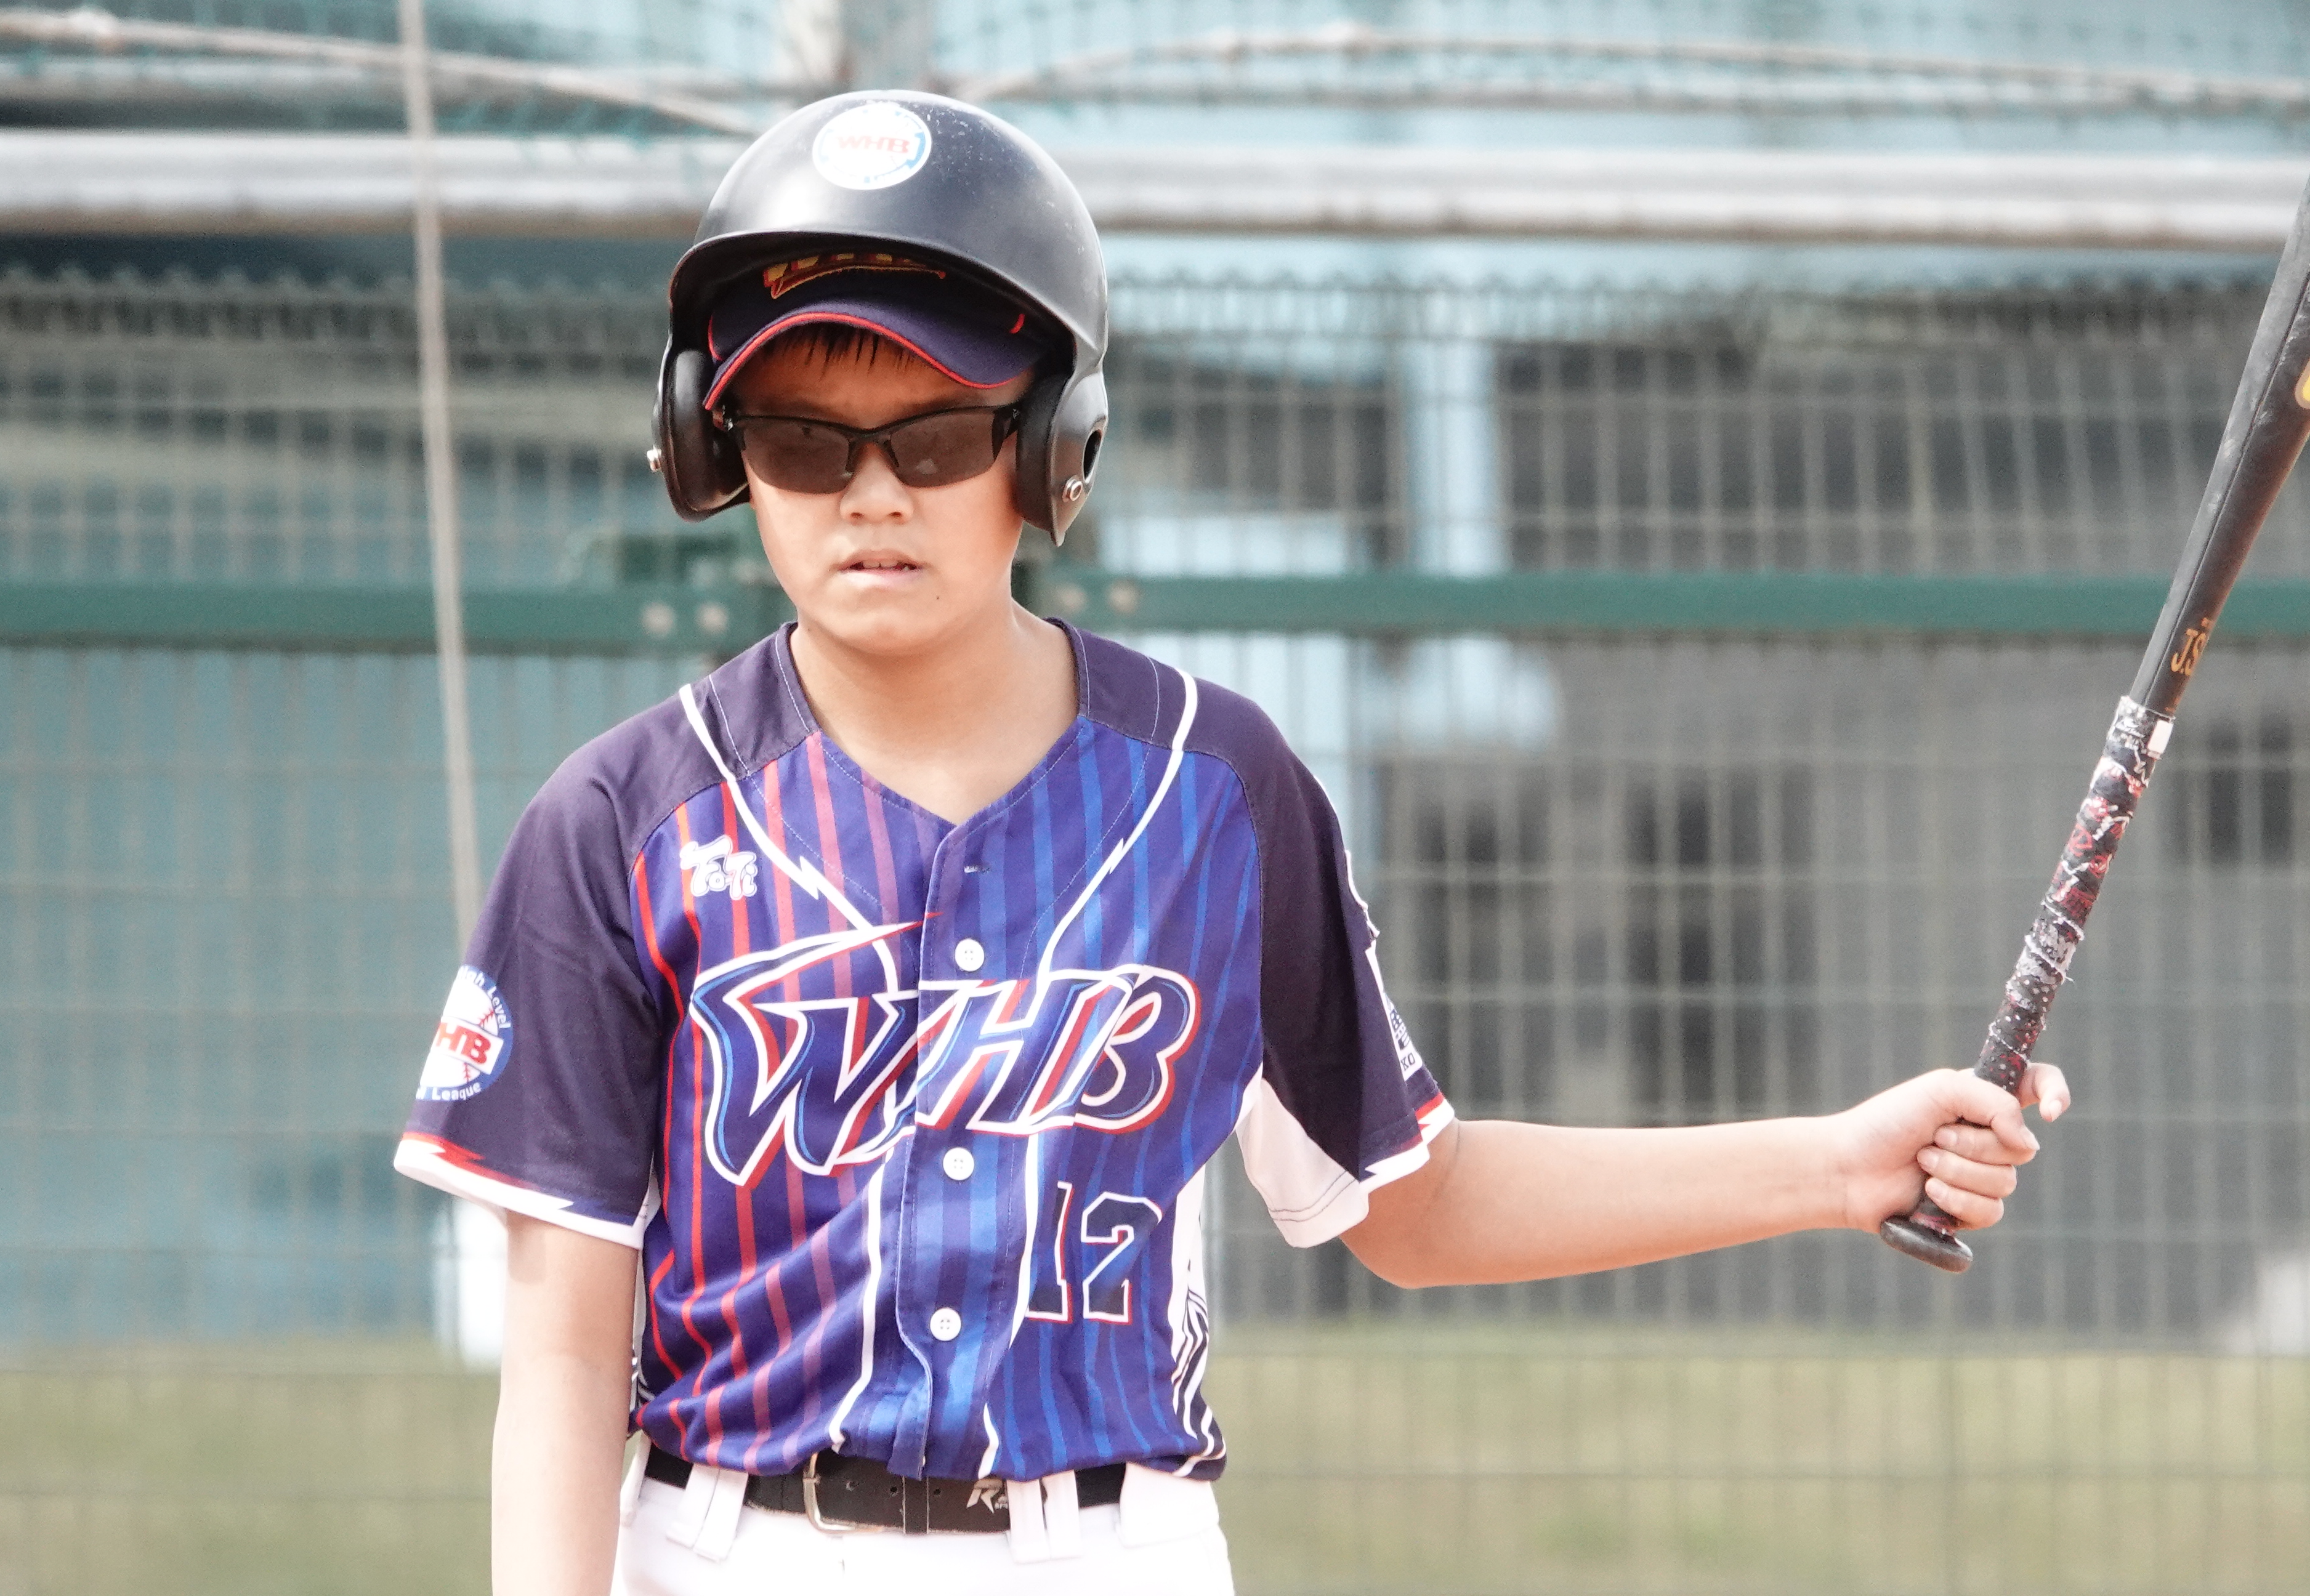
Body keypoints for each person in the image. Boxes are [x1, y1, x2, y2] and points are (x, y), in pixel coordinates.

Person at [393, 91, 2070, 1596]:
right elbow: (566, 1354)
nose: (872, 494)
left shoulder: (1214, 789)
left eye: (939, 436)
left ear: (1048, 449)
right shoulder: (624, 821)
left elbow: (1411, 1204)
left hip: (1107, 1550)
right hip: (728, 1547)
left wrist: (1838, 1164)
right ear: (716, 452)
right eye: (801, 442)